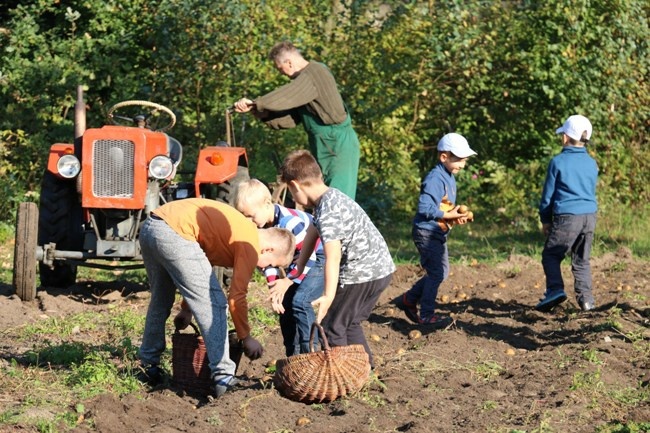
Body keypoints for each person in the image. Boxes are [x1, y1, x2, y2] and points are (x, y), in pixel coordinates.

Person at [137, 198, 295, 398]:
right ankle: (223, 376)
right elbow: (236, 298)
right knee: (216, 304)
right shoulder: (251, 245)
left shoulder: (236, 231)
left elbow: (198, 268)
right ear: (268, 250)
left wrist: (187, 309)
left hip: (153, 226)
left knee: (161, 300)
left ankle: (148, 365)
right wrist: (245, 337)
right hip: (175, 233)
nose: (264, 268)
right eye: (269, 264)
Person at [279, 150, 395, 369]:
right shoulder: (329, 198)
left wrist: (327, 296)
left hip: (361, 273)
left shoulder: (329, 210)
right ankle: (364, 370)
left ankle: (342, 375)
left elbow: (333, 257)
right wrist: (300, 265)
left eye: (291, 192)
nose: (293, 199)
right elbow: (314, 229)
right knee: (349, 323)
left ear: (295, 185)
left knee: (333, 327)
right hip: (380, 269)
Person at [233, 41, 360, 200]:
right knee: (323, 199)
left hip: (339, 146)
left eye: (280, 68)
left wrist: (256, 102)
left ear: (289, 62)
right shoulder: (306, 84)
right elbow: (290, 118)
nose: (281, 73)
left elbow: (287, 95)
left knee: (340, 200)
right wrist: (257, 111)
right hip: (325, 146)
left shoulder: (314, 74)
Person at [234, 179, 325, 356]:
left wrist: (288, 280)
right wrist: (275, 287)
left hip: (318, 258)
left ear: (267, 204)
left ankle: (312, 352)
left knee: (301, 301)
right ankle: (293, 356)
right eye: (243, 216)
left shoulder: (290, 223)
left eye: (251, 216)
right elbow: (268, 260)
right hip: (297, 264)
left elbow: (309, 256)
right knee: (286, 306)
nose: (249, 221)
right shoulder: (262, 228)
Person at [397, 133, 477, 327]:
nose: (463, 165)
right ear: (444, 157)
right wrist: (450, 216)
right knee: (436, 273)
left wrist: (456, 215)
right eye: (459, 160)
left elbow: (442, 208)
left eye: (465, 160)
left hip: (436, 232)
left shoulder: (449, 176)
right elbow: (425, 208)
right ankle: (426, 314)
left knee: (442, 271)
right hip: (426, 233)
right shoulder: (435, 178)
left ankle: (409, 299)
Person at [536, 115, 598, 312]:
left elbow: (548, 196)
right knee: (581, 260)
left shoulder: (558, 162)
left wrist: (545, 219)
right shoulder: (592, 163)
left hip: (567, 216)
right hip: (589, 216)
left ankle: (555, 290)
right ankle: (586, 300)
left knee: (551, 255)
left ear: (565, 137)